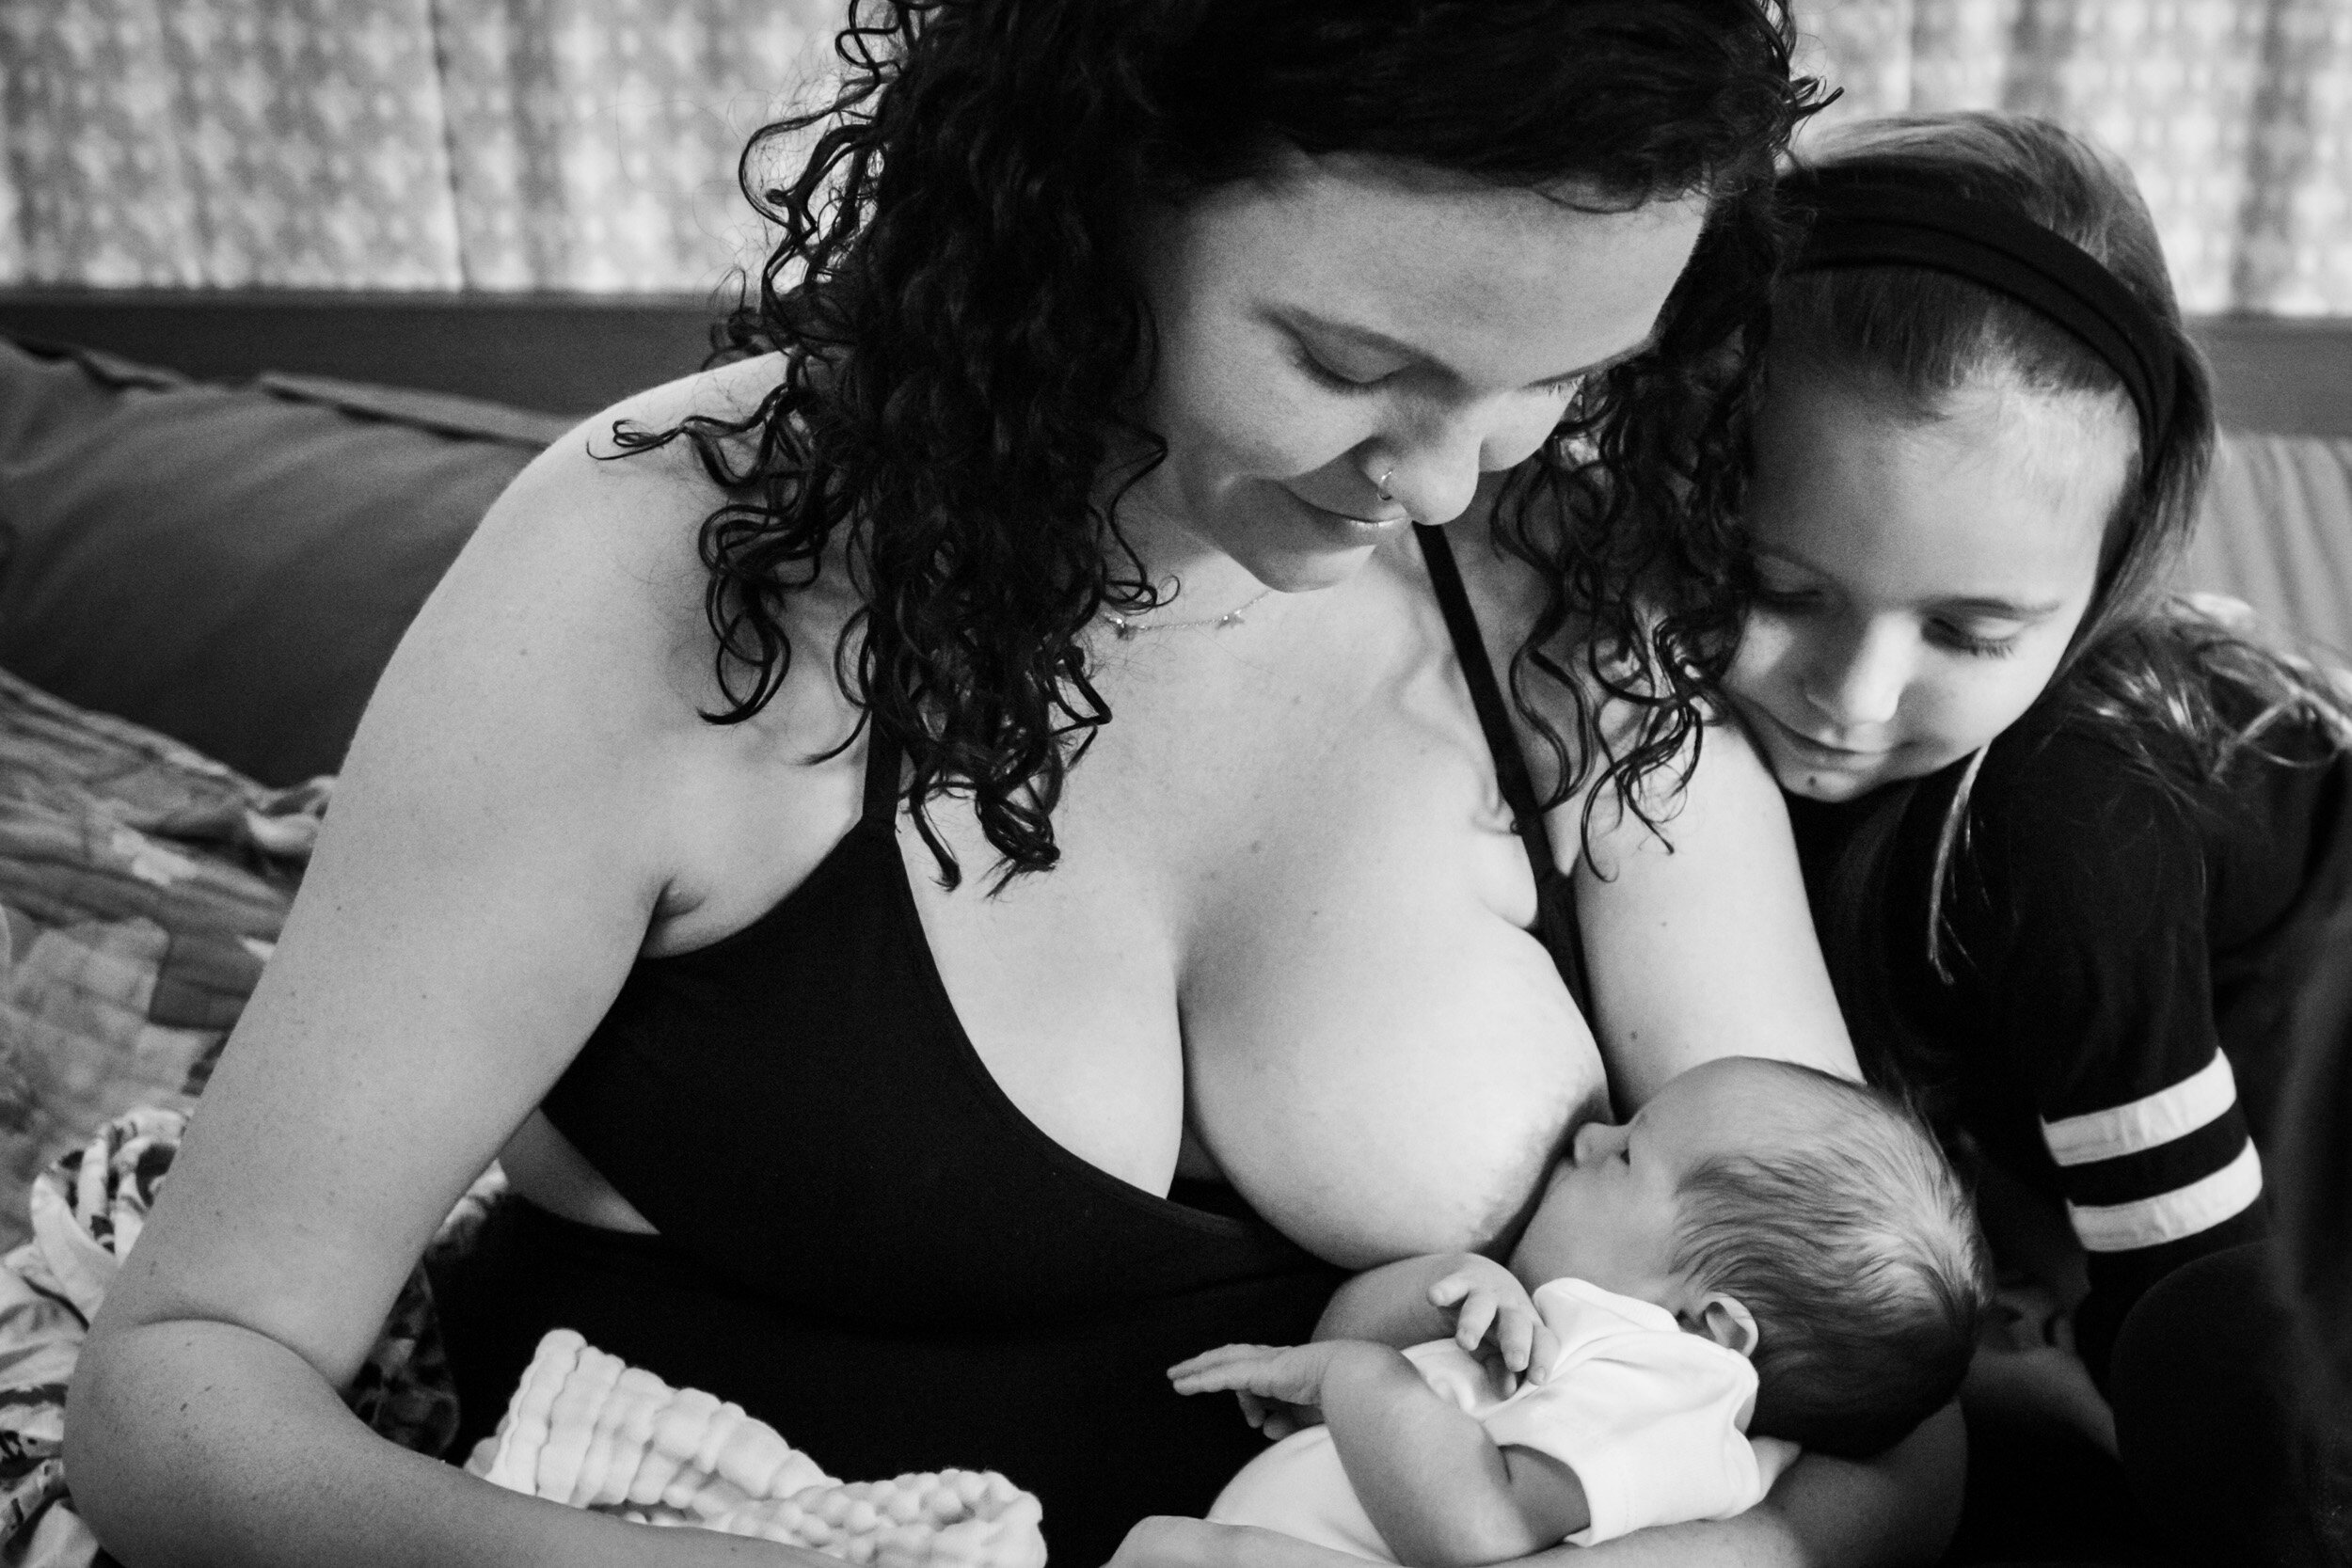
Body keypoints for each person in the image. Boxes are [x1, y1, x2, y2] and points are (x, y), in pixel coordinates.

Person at [64, 7, 1966, 1566]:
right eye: (1346, 359)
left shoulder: (1567, 635)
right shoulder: (666, 566)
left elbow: (1878, 1419)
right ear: (1091, 197)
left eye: (1553, 377)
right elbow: (179, 1397)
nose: (1453, 480)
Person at [1724, 110, 2352, 1564]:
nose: (1854, 698)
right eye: (1779, 585)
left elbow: (2204, 1307)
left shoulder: (2067, 820)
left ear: (2100, 590)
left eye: (1968, 631)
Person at [1171, 1056, 1986, 1563]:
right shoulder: (1594, 1343)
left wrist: (1357, 1376)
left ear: (1712, 1327)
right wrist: (1447, 1284)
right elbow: (1334, 1348)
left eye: (1628, 1153)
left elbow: (1478, 1525)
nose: (1590, 1136)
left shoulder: (1670, 1392)